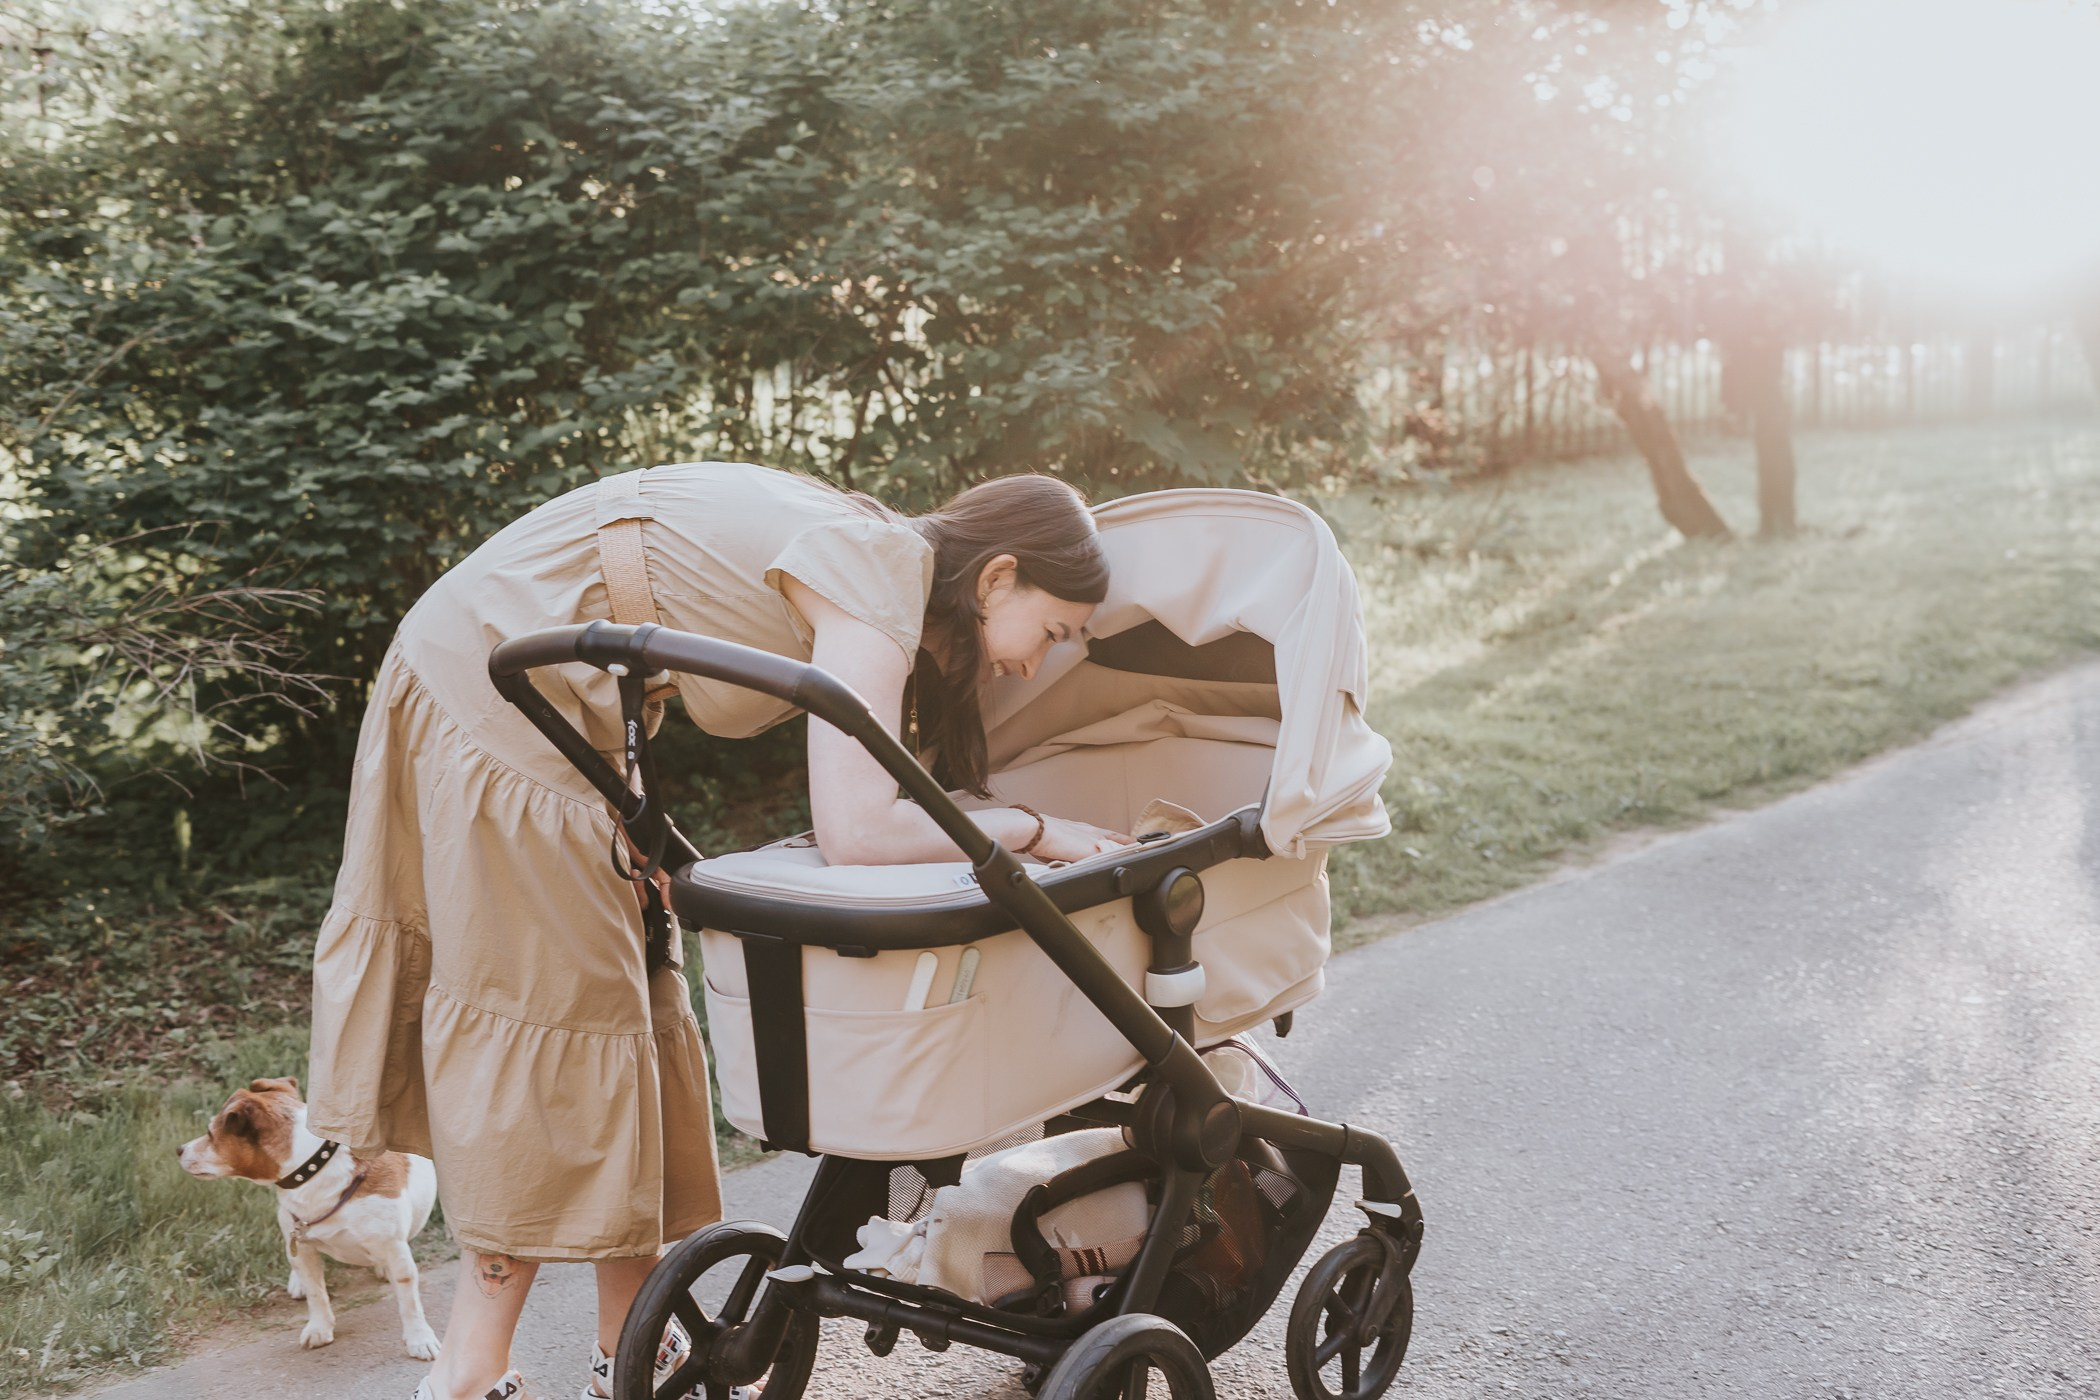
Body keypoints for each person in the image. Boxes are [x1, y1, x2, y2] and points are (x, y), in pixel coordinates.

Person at [302, 465, 1126, 1400]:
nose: (1042, 660)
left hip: (558, 696)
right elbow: (858, 833)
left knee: (630, 1007)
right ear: (996, 577)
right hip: (497, 684)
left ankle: (631, 1348)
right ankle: (466, 1370)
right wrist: (1031, 829)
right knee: (552, 1015)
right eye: (1055, 630)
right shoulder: (884, 570)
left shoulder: (883, 562)